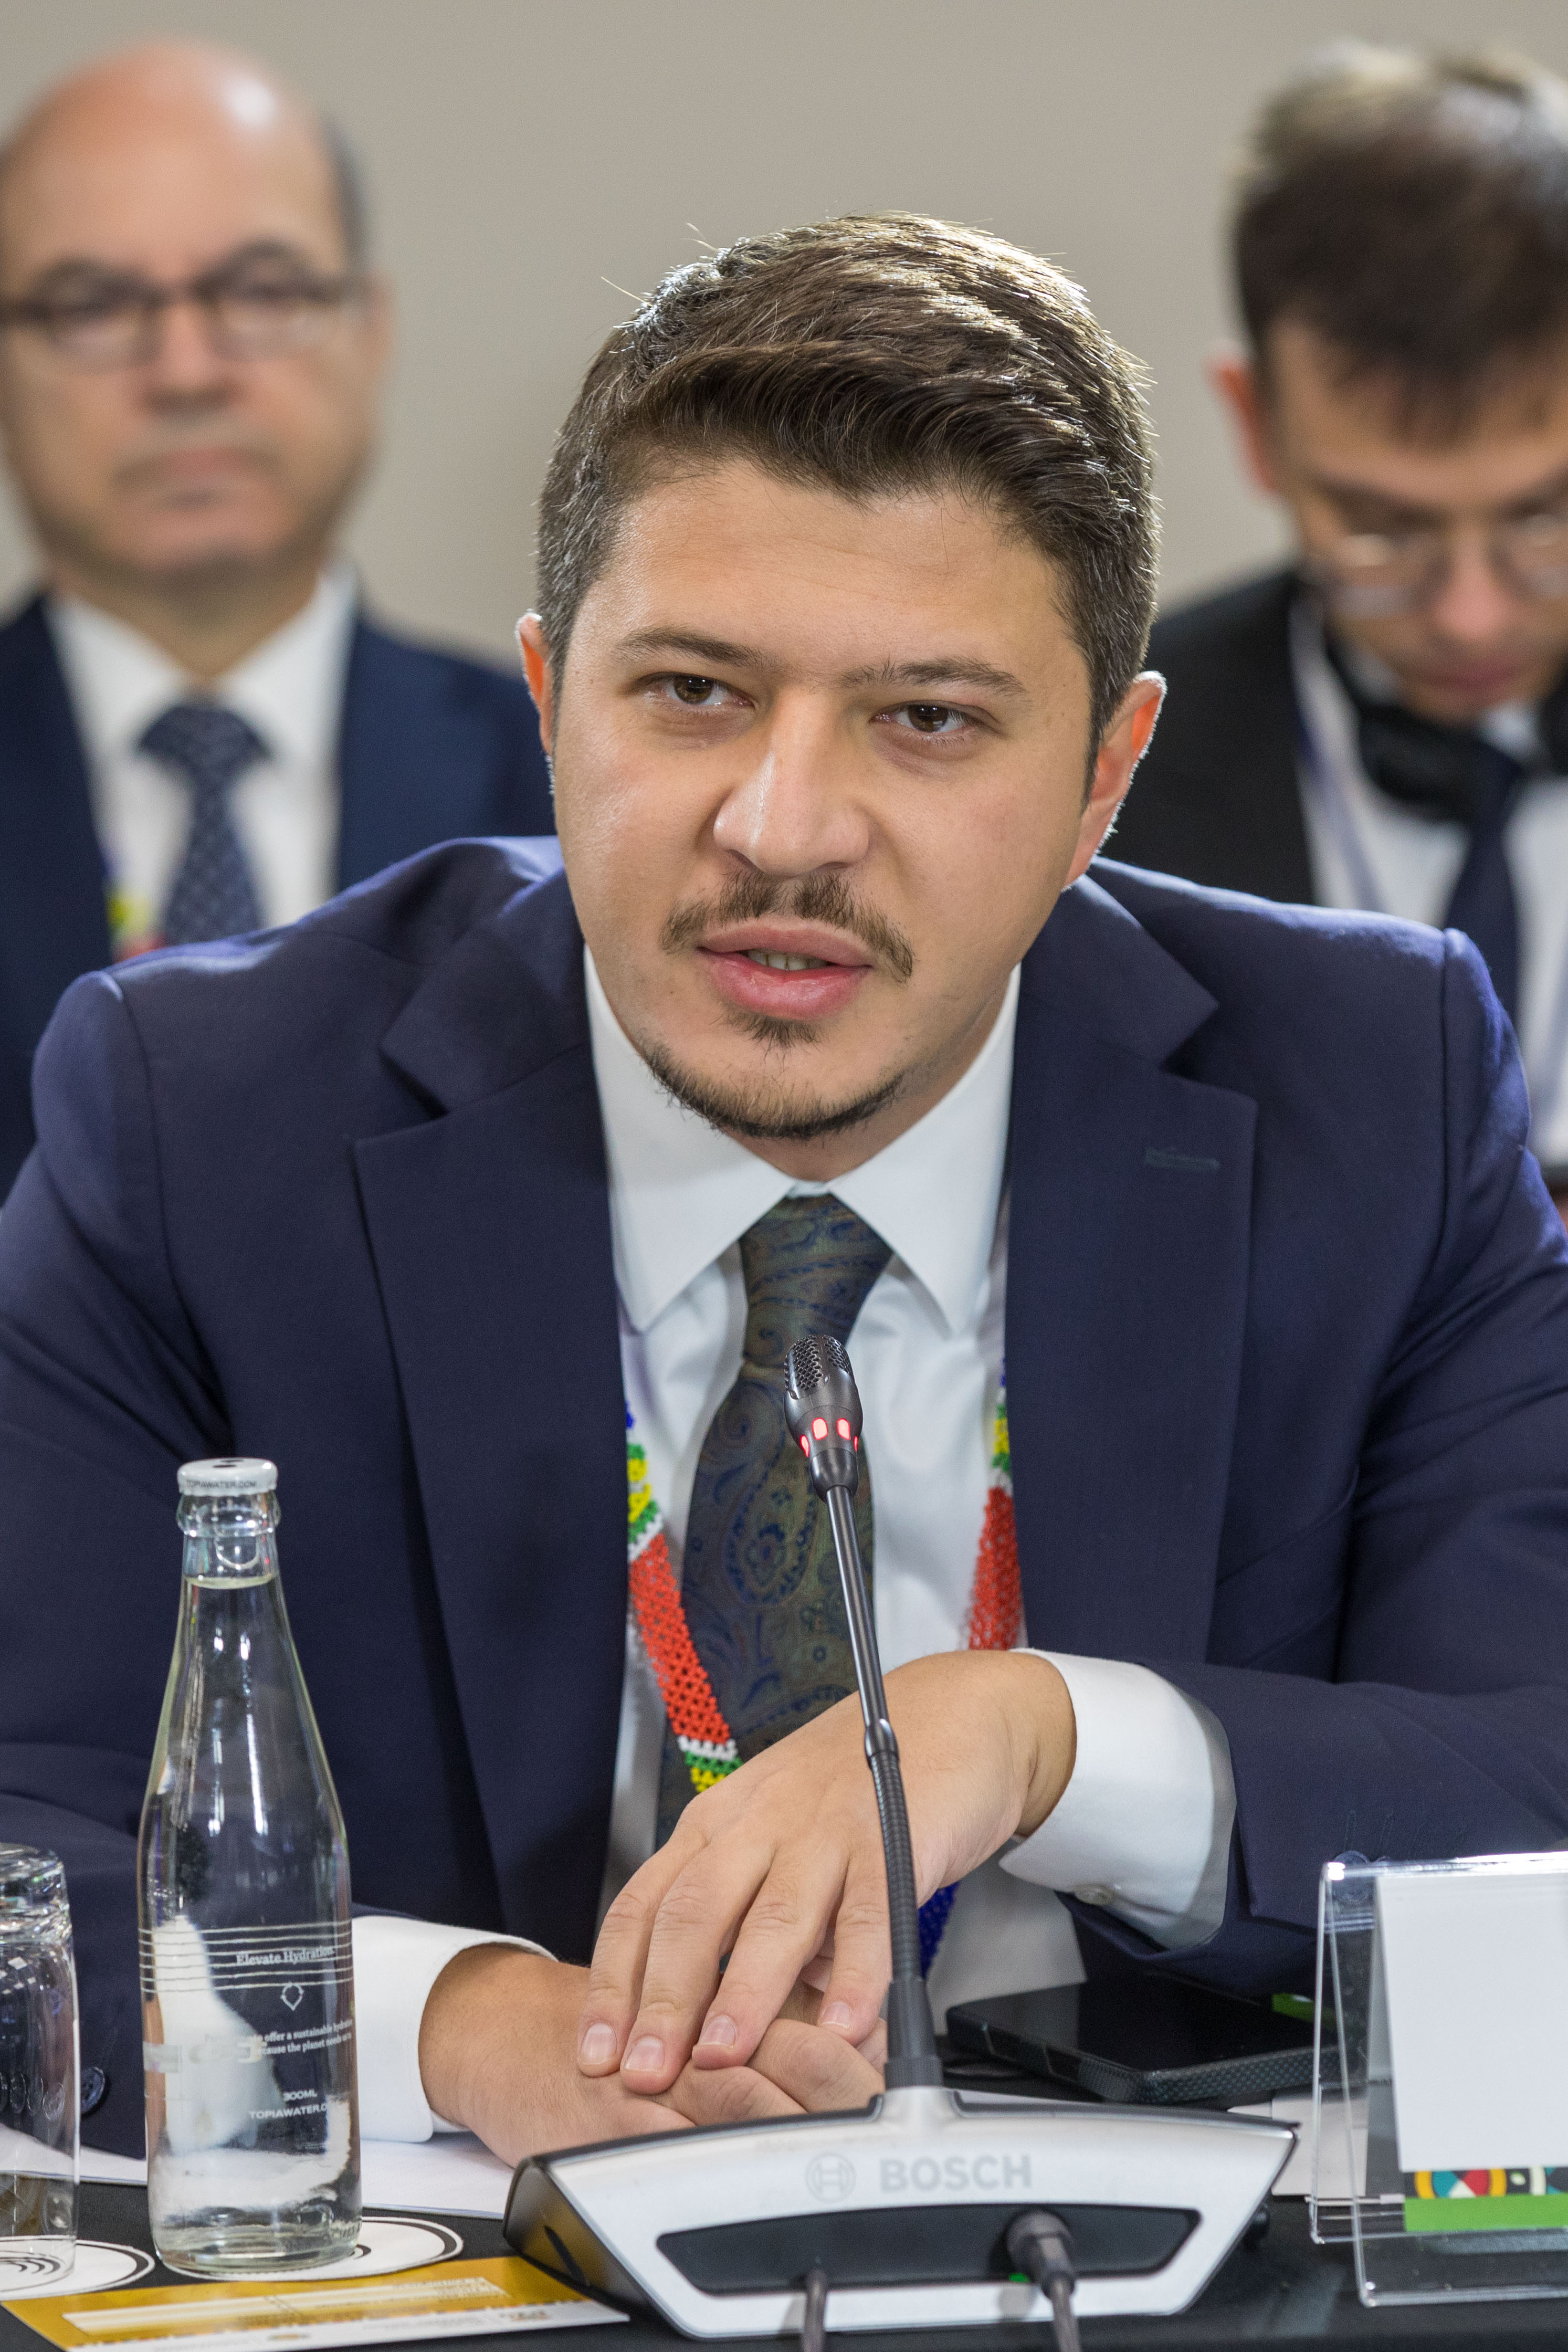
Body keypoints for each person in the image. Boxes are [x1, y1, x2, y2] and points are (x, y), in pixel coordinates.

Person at [2, 213, 1567, 2171]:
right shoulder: (205, 1115)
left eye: (927, 720)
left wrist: (1037, 1735)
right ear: (548, 699)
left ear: (1105, 775)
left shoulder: (1369, 1085)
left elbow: (1531, 1777)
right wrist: (463, 2026)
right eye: (691, 693)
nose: (780, 829)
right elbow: (21, 1830)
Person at [0, 43, 552, 1200]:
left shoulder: (576, 785)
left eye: (261, 292)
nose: (186, 370)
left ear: (370, 328)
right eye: (93, 305)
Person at [1114, 46, 1568, 1207]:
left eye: (1546, 515)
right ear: (1255, 424)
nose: (1470, 613)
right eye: (1380, 529)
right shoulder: (1094, 773)